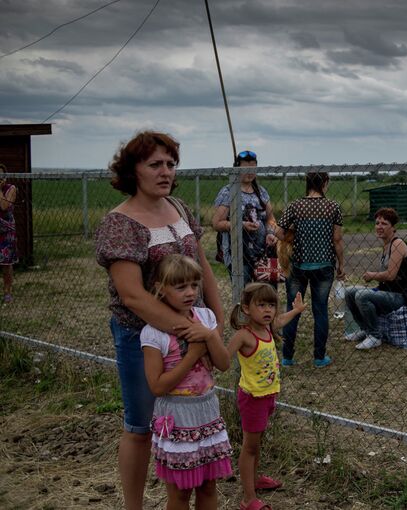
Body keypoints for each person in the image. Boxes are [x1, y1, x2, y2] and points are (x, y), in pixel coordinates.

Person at [95, 131, 224, 510]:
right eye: (155, 164)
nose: (165, 171)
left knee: (186, 419)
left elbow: (203, 268)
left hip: (194, 333)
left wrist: (214, 324)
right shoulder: (120, 223)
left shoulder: (179, 208)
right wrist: (191, 333)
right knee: (140, 424)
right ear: (133, 170)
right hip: (144, 338)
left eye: (170, 164)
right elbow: (132, 294)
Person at [140, 255, 232, 510]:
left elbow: (223, 364)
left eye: (194, 285)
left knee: (208, 487)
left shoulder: (205, 317)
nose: (190, 292)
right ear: (160, 289)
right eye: (181, 287)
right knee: (180, 493)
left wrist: (208, 336)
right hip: (177, 417)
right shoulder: (153, 333)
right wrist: (192, 355)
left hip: (207, 413)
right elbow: (158, 387)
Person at [227, 283, 307, 510]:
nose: (268, 310)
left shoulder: (267, 328)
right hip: (252, 398)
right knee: (249, 446)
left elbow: (280, 321)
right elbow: (223, 357)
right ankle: (248, 499)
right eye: (261, 305)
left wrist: (296, 311)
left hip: (267, 396)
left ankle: (254, 480)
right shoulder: (245, 335)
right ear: (246, 308)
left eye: (271, 305)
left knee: (257, 442)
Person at [275, 171, 344, 367]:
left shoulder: (295, 206)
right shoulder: (333, 207)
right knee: (320, 310)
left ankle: (287, 357)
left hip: (299, 265)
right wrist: (342, 265)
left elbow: (279, 232)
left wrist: (296, 233)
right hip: (324, 265)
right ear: (325, 183)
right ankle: (319, 357)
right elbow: (337, 240)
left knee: (293, 308)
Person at [345, 207, 407, 350]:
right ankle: (365, 330)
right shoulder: (386, 245)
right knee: (349, 292)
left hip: (401, 295)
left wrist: (372, 275)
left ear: (393, 227)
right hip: (387, 291)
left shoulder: (397, 244)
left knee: (362, 295)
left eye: (384, 223)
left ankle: (375, 336)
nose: (379, 227)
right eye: (377, 223)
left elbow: (391, 275)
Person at [212, 150, 277, 285]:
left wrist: (270, 233)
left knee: (267, 293)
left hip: (263, 254)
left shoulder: (262, 192)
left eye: (253, 167)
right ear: (237, 168)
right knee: (245, 296)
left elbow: (270, 218)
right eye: (245, 167)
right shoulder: (229, 191)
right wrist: (240, 225)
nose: (250, 171)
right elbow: (217, 223)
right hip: (239, 255)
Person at [0, 164, 18, 303]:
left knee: (6, 263)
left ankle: (7, 292)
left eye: (1, 175)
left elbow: (4, 206)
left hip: (6, 230)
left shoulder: (11, 189)